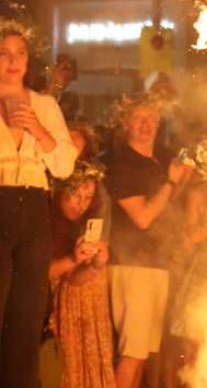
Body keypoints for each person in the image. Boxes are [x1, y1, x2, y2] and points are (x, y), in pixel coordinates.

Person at [0, 19, 77, 387]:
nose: (13, 62)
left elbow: (63, 166)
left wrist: (38, 130)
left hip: (32, 210)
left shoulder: (44, 105)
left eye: (20, 54)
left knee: (27, 318)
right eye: (3, 54)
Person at [106, 98, 193, 388]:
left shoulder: (159, 158)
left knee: (142, 354)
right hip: (133, 266)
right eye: (139, 118)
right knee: (131, 354)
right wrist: (171, 183)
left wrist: (179, 182)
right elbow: (143, 218)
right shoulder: (121, 164)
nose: (147, 124)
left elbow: (165, 210)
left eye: (152, 118)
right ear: (126, 124)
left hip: (157, 264)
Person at [48, 161, 114, 388]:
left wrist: (96, 263)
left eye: (88, 198)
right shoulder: (44, 221)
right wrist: (73, 259)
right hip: (48, 314)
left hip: (76, 310)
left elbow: (75, 279)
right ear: (60, 191)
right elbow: (44, 273)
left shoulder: (81, 225)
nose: (81, 204)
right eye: (76, 195)